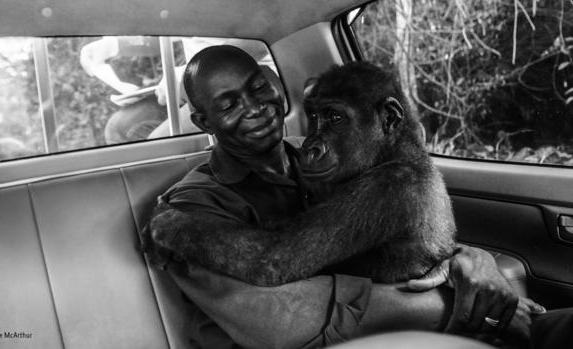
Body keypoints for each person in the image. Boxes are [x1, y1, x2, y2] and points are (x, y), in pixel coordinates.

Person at [145, 45, 572, 348]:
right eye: (229, 104)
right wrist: (448, 305)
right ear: (203, 120)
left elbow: (395, 239)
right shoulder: (191, 206)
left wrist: (465, 259)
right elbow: (278, 318)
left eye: (259, 88)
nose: (257, 107)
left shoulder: (331, 160)